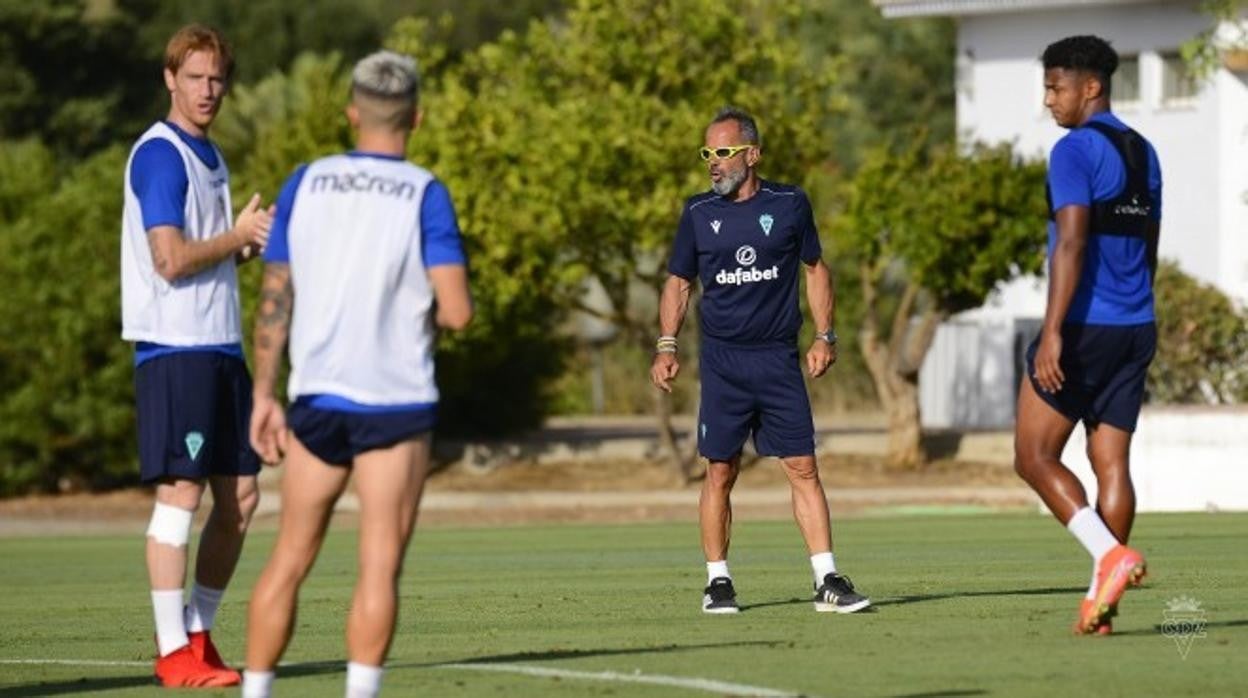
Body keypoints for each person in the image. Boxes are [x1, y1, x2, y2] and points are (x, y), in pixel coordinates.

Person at [240, 50, 472, 698]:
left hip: (316, 398)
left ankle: (256, 691)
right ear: (416, 117)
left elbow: (274, 297)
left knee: (288, 559)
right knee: (378, 566)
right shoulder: (425, 192)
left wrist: (263, 392)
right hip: (393, 404)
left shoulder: (304, 182)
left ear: (351, 113)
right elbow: (455, 311)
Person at [650, 106, 870, 615]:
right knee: (720, 473)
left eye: (723, 152)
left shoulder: (790, 203)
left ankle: (827, 580)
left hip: (777, 361)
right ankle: (718, 582)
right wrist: (666, 344)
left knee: (803, 467)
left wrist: (825, 335)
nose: (713, 163)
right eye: (707, 153)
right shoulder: (698, 213)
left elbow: (816, 270)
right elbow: (680, 282)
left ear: (752, 155)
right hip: (724, 365)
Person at [120, 24, 273, 688]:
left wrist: (242, 246)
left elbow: (204, 254)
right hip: (175, 350)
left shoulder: (211, 155)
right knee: (180, 493)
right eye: (195, 77)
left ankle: (199, 633)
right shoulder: (159, 155)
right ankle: (170, 649)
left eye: (217, 79)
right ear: (170, 79)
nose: (208, 90)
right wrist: (231, 236)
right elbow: (170, 258)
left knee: (240, 496)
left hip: (220, 348)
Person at [1015, 35, 1161, 635]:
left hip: (1084, 327)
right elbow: (1150, 245)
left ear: (1091, 87)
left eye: (1056, 87)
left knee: (1033, 455)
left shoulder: (1073, 151)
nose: (1049, 100)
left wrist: (1052, 333)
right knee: (1111, 462)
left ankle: (1109, 556)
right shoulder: (1144, 150)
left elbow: (1071, 242)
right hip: (1136, 324)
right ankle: (1102, 604)